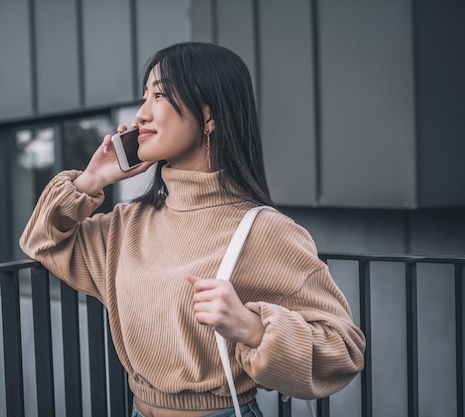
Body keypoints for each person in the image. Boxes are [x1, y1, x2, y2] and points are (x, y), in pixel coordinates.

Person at [20, 42, 365, 417]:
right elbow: (42, 242)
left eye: (160, 95)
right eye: (143, 97)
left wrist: (253, 329)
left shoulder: (265, 231)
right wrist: (90, 181)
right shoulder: (127, 225)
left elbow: (343, 351)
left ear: (209, 115)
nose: (141, 115)